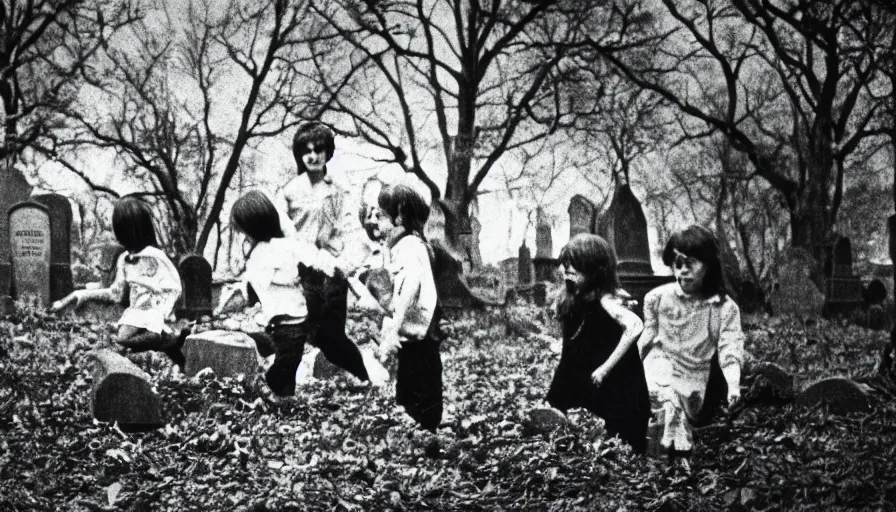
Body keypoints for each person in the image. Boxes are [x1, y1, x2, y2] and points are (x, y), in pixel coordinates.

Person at [215, 190, 361, 397]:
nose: (244, 237)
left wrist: (302, 274)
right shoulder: (267, 251)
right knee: (288, 361)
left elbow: (278, 276)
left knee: (289, 361)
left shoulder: (271, 249)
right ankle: (271, 389)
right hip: (287, 321)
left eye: (245, 232)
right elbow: (263, 282)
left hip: (292, 319)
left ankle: (279, 393)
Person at [638, 225, 745, 467]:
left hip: (695, 376)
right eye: (678, 263)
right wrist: (628, 370)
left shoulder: (724, 308)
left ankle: (677, 452)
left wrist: (733, 385)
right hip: (659, 368)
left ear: (709, 265)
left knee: (681, 407)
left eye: (692, 263)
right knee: (659, 392)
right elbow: (647, 339)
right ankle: (659, 457)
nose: (683, 271)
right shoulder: (657, 299)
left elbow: (730, 351)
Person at [274, 122, 370, 383]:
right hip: (302, 273)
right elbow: (281, 233)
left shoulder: (339, 189)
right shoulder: (290, 192)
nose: (313, 156)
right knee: (299, 331)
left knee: (332, 338)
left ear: (328, 152)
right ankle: (283, 388)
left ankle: (364, 378)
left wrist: (348, 263)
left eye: (319, 149)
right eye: (306, 151)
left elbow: (351, 228)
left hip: (333, 272)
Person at [51, 197, 188, 368]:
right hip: (138, 312)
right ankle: (165, 340)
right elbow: (115, 293)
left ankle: (163, 338)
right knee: (122, 337)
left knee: (130, 338)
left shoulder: (155, 256)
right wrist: (81, 295)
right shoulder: (124, 259)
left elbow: (174, 287)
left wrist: (162, 311)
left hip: (156, 310)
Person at [546, 234, 651, 453]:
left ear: (596, 269)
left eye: (576, 265)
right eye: (566, 265)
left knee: (615, 435)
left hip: (616, 388)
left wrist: (605, 369)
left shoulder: (608, 300)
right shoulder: (573, 301)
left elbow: (634, 328)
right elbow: (570, 349)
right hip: (581, 379)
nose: (568, 270)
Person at [370, 184, 443, 433]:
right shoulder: (402, 246)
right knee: (409, 393)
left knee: (421, 396)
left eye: (380, 214)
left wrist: (393, 327)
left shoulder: (410, 246)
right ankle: (418, 438)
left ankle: (427, 443)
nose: (373, 219)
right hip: (413, 336)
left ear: (399, 215)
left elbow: (409, 285)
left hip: (420, 336)